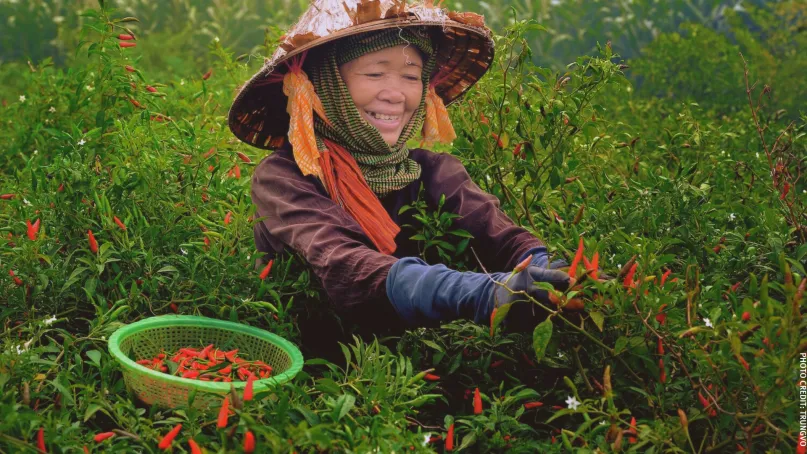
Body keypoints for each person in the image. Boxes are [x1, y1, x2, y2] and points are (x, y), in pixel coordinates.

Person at [227, 0, 585, 341]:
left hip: (420, 377)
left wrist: (551, 272)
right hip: (312, 371)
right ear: (326, 85)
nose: (396, 94)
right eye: (375, 73)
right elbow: (347, 267)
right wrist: (483, 293)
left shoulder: (432, 172)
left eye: (411, 77)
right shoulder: (283, 179)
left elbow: (500, 237)